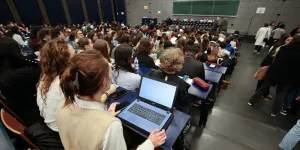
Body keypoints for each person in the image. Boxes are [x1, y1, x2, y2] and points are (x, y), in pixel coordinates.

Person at [57, 50, 166, 150]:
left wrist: (105, 116)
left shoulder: (62, 106)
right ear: (104, 83)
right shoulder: (111, 126)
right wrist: (150, 143)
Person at [0, 37, 41, 125]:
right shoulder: (20, 74)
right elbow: (41, 68)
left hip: (24, 111)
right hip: (35, 116)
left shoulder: (5, 71)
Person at [149, 48, 190, 114]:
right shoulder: (181, 84)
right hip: (170, 112)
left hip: (152, 107)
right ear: (178, 64)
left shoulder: (152, 74)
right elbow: (184, 106)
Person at [268, 35, 300, 116]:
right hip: (290, 78)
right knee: (281, 94)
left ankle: (253, 99)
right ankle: (275, 112)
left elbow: (276, 62)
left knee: (269, 87)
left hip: (278, 73)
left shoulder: (283, 49)